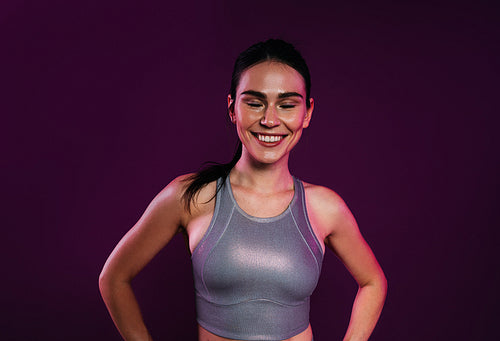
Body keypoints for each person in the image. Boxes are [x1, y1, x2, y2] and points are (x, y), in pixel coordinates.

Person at [99, 39, 387, 341]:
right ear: (232, 108)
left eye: (287, 104)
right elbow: (114, 278)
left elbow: (373, 282)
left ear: (307, 112)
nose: (270, 120)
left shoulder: (325, 208)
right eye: (254, 102)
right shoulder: (191, 197)